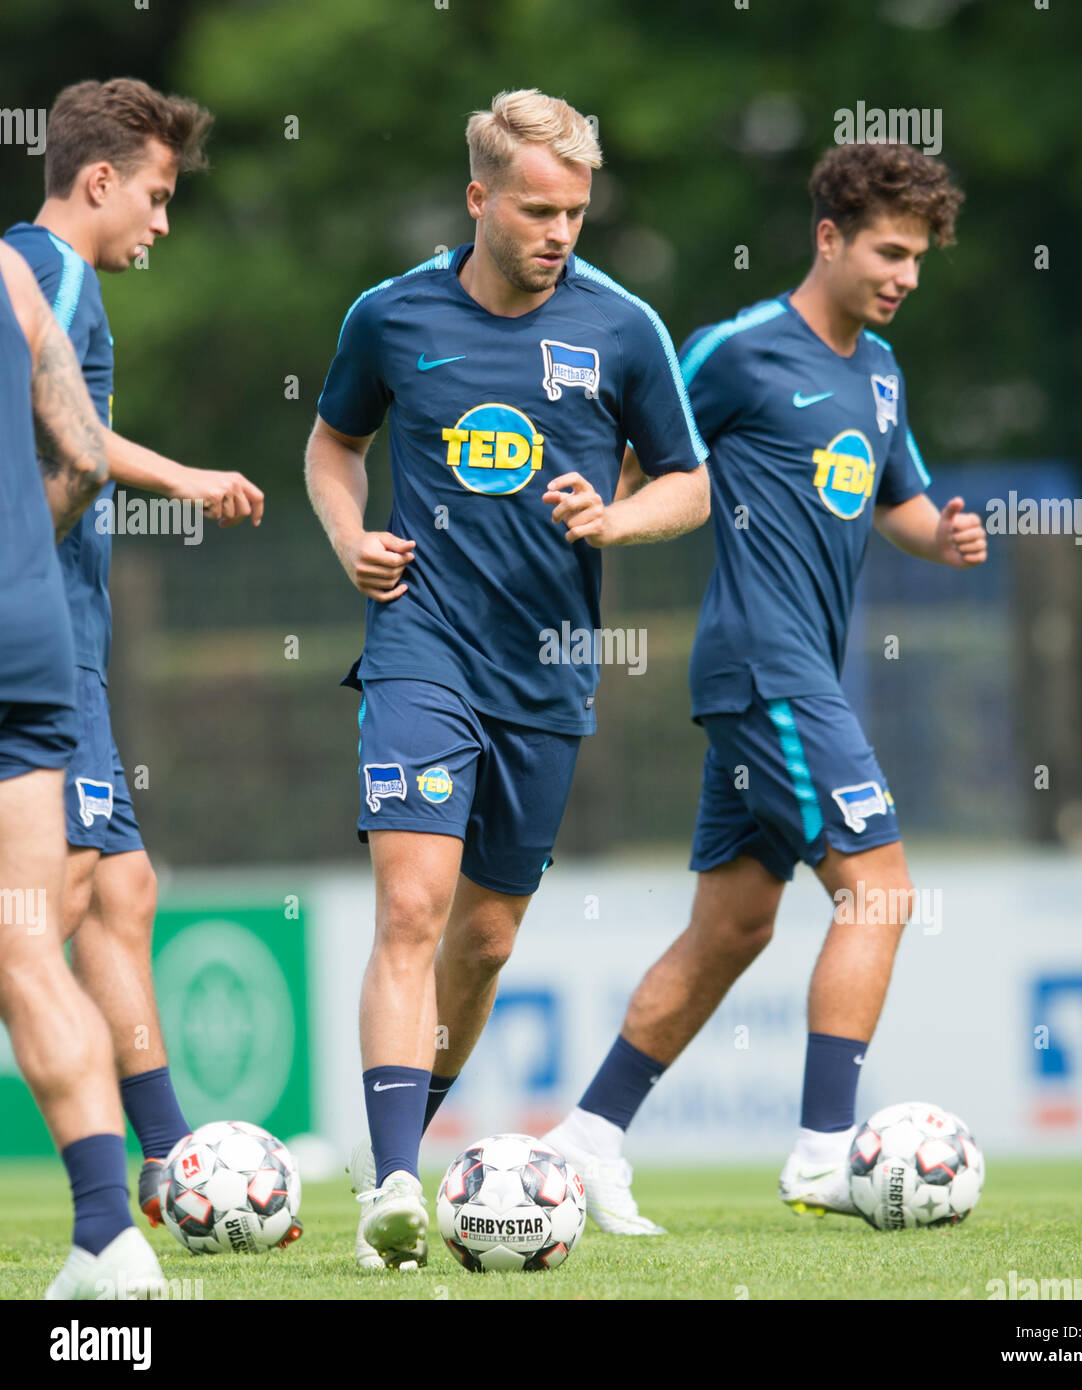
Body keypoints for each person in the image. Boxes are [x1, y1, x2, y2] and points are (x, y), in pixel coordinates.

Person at [544, 142, 986, 1232]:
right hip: (764, 665)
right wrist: (596, 511)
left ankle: (585, 1138)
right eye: (890, 250)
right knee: (878, 891)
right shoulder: (735, 351)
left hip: (784, 677)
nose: (906, 275)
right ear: (827, 236)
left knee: (731, 928)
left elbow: (900, 505)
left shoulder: (879, 371)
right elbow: (645, 461)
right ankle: (824, 1154)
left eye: (919, 258)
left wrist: (951, 535)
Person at [306, 88, 710, 1270]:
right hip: (419, 645)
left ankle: (403, 1137)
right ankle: (390, 1181)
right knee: (412, 910)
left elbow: (687, 482)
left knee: (480, 941)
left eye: (576, 211)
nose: (559, 232)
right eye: (537, 208)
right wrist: (348, 539)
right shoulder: (388, 317)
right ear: (477, 197)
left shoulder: (623, 328)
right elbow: (335, 442)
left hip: (549, 671)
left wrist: (617, 520)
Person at [3, 78, 269, 1229]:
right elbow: (69, 442)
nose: (163, 224)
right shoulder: (45, 268)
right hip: (42, 641)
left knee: (122, 887)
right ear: (99, 181)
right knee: (46, 908)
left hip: (67, 637)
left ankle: (167, 1160)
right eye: (157, 199)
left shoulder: (42, 271)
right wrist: (189, 475)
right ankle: (129, 1184)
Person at [0, 238, 167, 1298]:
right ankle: (109, 1238)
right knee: (25, 941)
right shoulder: (11, 276)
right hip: (27, 631)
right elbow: (85, 453)